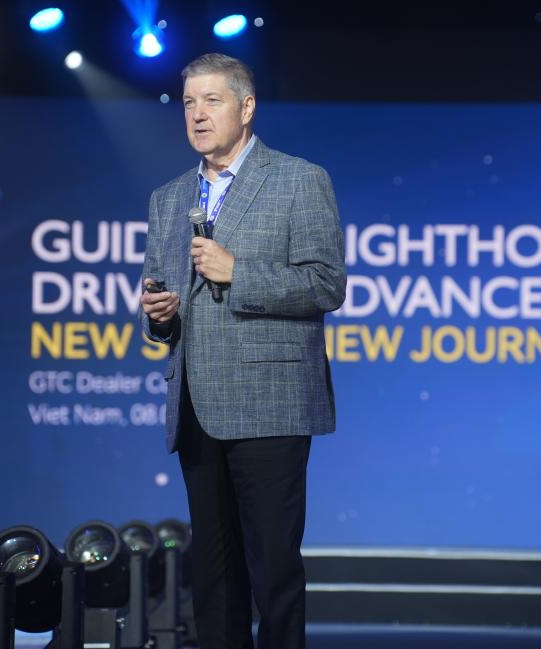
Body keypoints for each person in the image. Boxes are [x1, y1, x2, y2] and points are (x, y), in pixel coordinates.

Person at [138, 53, 346, 649]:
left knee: (273, 572)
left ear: (246, 107)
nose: (197, 115)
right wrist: (158, 315)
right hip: (197, 405)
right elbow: (163, 298)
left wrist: (238, 272)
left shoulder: (299, 180)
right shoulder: (169, 198)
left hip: (271, 404)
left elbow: (326, 285)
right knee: (213, 575)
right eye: (189, 103)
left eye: (212, 100)